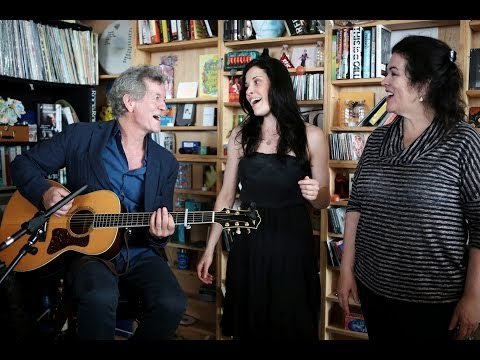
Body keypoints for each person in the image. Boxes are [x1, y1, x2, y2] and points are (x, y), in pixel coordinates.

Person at [10, 64, 187, 341]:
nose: (165, 106)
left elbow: (158, 234)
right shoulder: (81, 137)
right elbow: (23, 165)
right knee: (100, 296)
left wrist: (159, 235)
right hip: (87, 252)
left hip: (140, 253)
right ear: (130, 102)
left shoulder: (167, 163)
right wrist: (44, 193)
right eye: (157, 98)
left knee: (172, 303)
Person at [337, 35, 480, 341]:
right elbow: (355, 206)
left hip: (435, 302)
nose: (384, 80)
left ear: (424, 85)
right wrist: (347, 270)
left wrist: (474, 296)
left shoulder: (462, 141)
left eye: (393, 73)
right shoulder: (377, 140)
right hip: (373, 290)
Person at [196, 54, 330, 340]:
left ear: (278, 86)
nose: (249, 91)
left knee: (290, 326)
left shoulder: (312, 136)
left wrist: (315, 193)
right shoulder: (239, 137)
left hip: (292, 247)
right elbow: (226, 196)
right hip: (248, 244)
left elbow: (323, 201)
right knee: (249, 325)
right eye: (246, 85)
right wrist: (209, 248)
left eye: (256, 82)